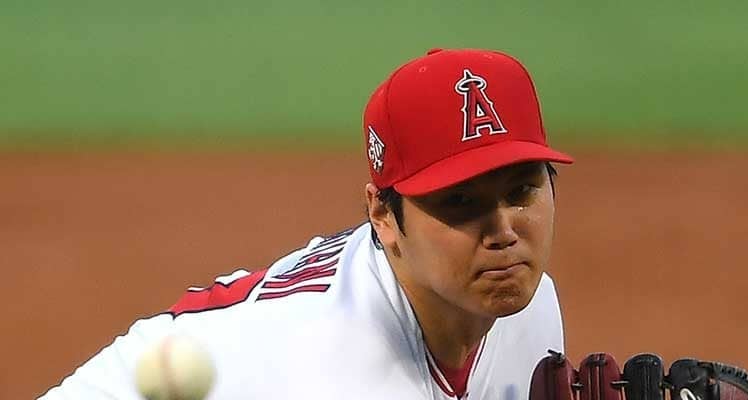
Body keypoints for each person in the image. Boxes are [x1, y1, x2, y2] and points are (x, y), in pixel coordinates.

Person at [40, 48, 574, 400]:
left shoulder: (531, 310)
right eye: (460, 202)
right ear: (384, 216)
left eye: (520, 192)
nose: (503, 231)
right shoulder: (317, 362)